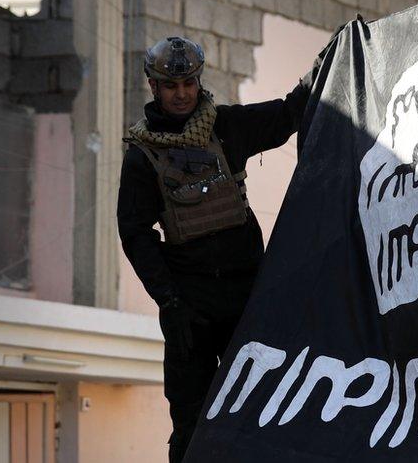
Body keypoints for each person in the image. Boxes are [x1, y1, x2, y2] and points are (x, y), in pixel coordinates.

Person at [117, 36, 315, 462]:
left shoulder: (224, 126)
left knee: (263, 407)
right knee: (193, 421)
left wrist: (324, 63)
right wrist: (170, 300)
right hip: (192, 306)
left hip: (247, 296)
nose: (182, 93)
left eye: (188, 82)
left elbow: (286, 115)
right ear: (153, 85)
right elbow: (135, 233)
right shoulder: (143, 155)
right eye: (171, 85)